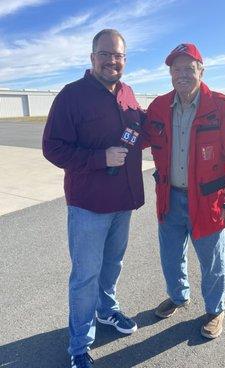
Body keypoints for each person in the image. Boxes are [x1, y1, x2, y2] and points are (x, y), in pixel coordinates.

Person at [43, 29, 145, 368]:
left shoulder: (129, 93)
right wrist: (100, 158)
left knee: (112, 267)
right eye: (105, 54)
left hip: (123, 202)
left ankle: (107, 311)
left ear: (125, 60)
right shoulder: (72, 96)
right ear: (92, 58)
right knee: (85, 275)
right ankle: (78, 347)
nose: (111, 60)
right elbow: (53, 148)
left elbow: (138, 135)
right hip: (88, 204)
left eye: (117, 55)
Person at [143, 43, 225, 339]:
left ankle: (216, 310)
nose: (182, 75)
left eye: (188, 69)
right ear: (170, 74)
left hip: (208, 201)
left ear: (201, 71)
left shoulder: (224, 108)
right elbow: (140, 136)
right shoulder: (158, 107)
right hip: (170, 198)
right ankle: (179, 296)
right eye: (176, 70)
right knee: (170, 256)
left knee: (212, 261)